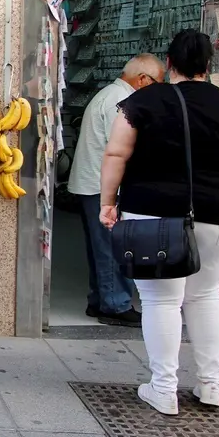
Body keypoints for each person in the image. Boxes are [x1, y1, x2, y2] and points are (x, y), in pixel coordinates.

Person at [100, 30, 219, 415]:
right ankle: (211, 385)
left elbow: (116, 154)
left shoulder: (141, 102)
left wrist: (108, 202)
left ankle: (164, 388)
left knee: (161, 300)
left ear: (168, 64)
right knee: (206, 296)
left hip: (154, 213)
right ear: (209, 65)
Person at [69, 53, 165, 327]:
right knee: (114, 247)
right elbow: (121, 147)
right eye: (158, 82)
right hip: (101, 186)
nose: (159, 88)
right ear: (143, 79)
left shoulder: (110, 94)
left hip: (93, 184)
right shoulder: (120, 101)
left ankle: (100, 299)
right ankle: (115, 304)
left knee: (101, 246)